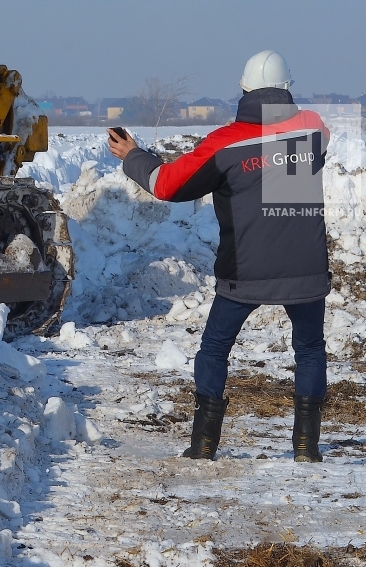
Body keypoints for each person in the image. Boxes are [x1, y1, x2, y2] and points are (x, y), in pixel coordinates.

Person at [107, 50, 331, 462]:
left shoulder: (225, 142)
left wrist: (134, 156)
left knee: (214, 350)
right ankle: (306, 448)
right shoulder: (313, 129)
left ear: (243, 90)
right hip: (306, 266)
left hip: (247, 268)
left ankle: (204, 444)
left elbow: (167, 185)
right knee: (311, 349)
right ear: (287, 89)